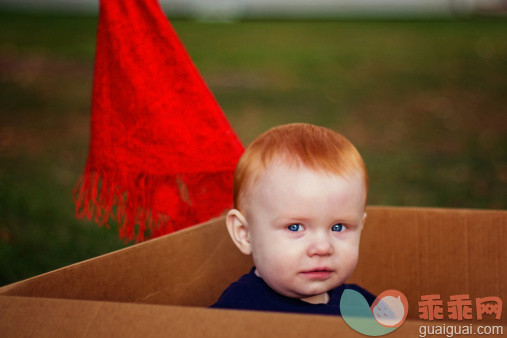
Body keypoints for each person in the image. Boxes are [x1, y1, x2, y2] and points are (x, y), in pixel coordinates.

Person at [210, 123, 375, 315]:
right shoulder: (236, 311)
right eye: (295, 227)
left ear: (360, 227)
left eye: (338, 227)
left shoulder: (362, 306)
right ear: (244, 234)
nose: (322, 248)